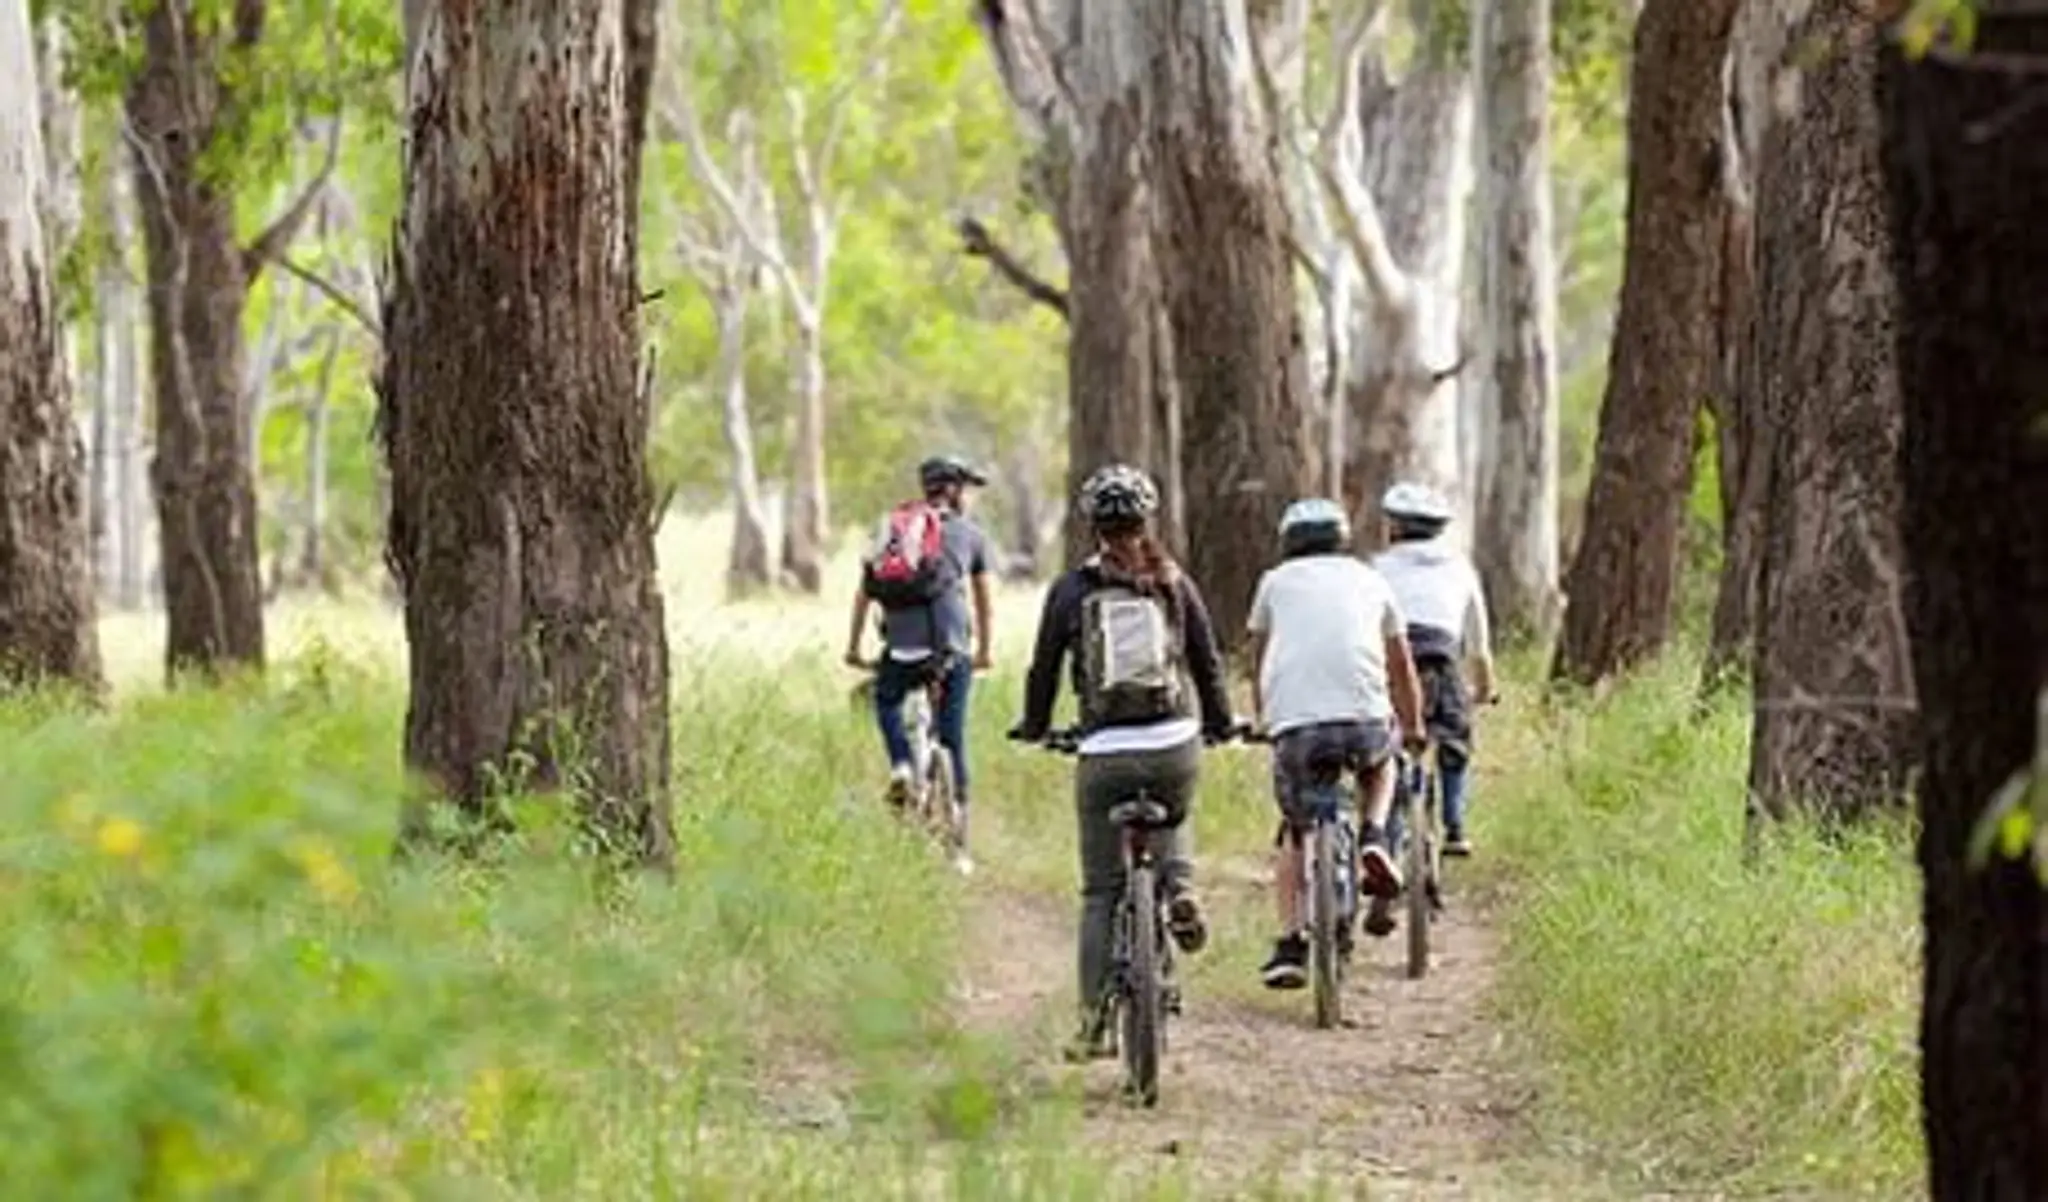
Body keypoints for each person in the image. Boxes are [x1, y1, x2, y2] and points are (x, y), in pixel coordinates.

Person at [1009, 463, 1238, 1059]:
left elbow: (1043, 672)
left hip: (1105, 751)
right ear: (1146, 520)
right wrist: (1217, 726)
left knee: (1101, 892)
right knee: (1176, 808)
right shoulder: (1173, 582)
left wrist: (1036, 728)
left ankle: (1090, 1026)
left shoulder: (1070, 591)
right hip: (1173, 742)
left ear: (1093, 526)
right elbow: (1207, 664)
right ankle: (1180, 885)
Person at [1247, 498, 1428, 983]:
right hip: (1365, 718)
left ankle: (1289, 943)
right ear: (1342, 539)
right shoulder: (1370, 579)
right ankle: (1372, 833)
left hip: (1297, 725)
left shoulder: (1273, 583)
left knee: (1294, 828)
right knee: (1383, 761)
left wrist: (1266, 720)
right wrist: (1412, 726)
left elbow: (1260, 659)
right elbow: (1401, 665)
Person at [844, 455, 995, 869]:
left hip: (901, 649)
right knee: (952, 736)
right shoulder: (970, 535)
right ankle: (960, 841)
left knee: (888, 700)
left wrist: (854, 648)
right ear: (954, 491)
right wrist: (983, 651)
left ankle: (902, 767)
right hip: (951, 650)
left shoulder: (893, 530)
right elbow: (983, 603)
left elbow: (865, 594)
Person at [1370, 481, 1498, 859]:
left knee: (1389, 747)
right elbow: (1478, 646)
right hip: (1442, 661)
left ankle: (1387, 836)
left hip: (1392, 663)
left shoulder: (1378, 568)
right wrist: (1484, 689)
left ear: (1393, 527)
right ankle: (1455, 825)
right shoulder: (1460, 569)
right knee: (1455, 738)